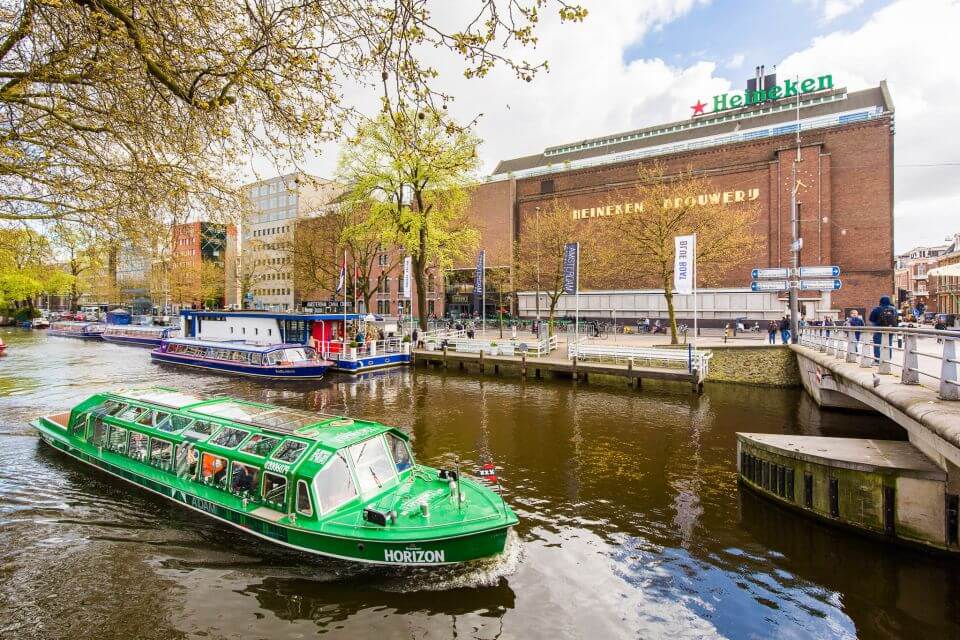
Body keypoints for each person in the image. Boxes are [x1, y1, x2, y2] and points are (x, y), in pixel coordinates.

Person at [868, 295, 898, 362]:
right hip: (890, 329)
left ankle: (877, 360)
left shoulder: (877, 309)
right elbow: (896, 318)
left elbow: (871, 319)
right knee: (888, 344)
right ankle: (887, 359)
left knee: (877, 345)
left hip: (879, 329)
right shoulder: (893, 309)